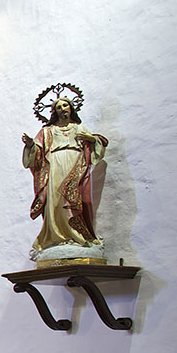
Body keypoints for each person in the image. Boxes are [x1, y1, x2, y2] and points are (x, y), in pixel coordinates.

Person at [21, 97, 108, 260]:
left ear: (71, 108)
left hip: (76, 164)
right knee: (55, 201)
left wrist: (92, 139)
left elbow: (95, 146)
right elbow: (38, 153)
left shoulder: (79, 127)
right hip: (54, 165)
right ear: (55, 112)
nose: (63, 109)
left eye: (65, 105)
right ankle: (57, 236)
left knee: (80, 200)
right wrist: (31, 145)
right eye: (59, 107)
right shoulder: (48, 131)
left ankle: (80, 237)